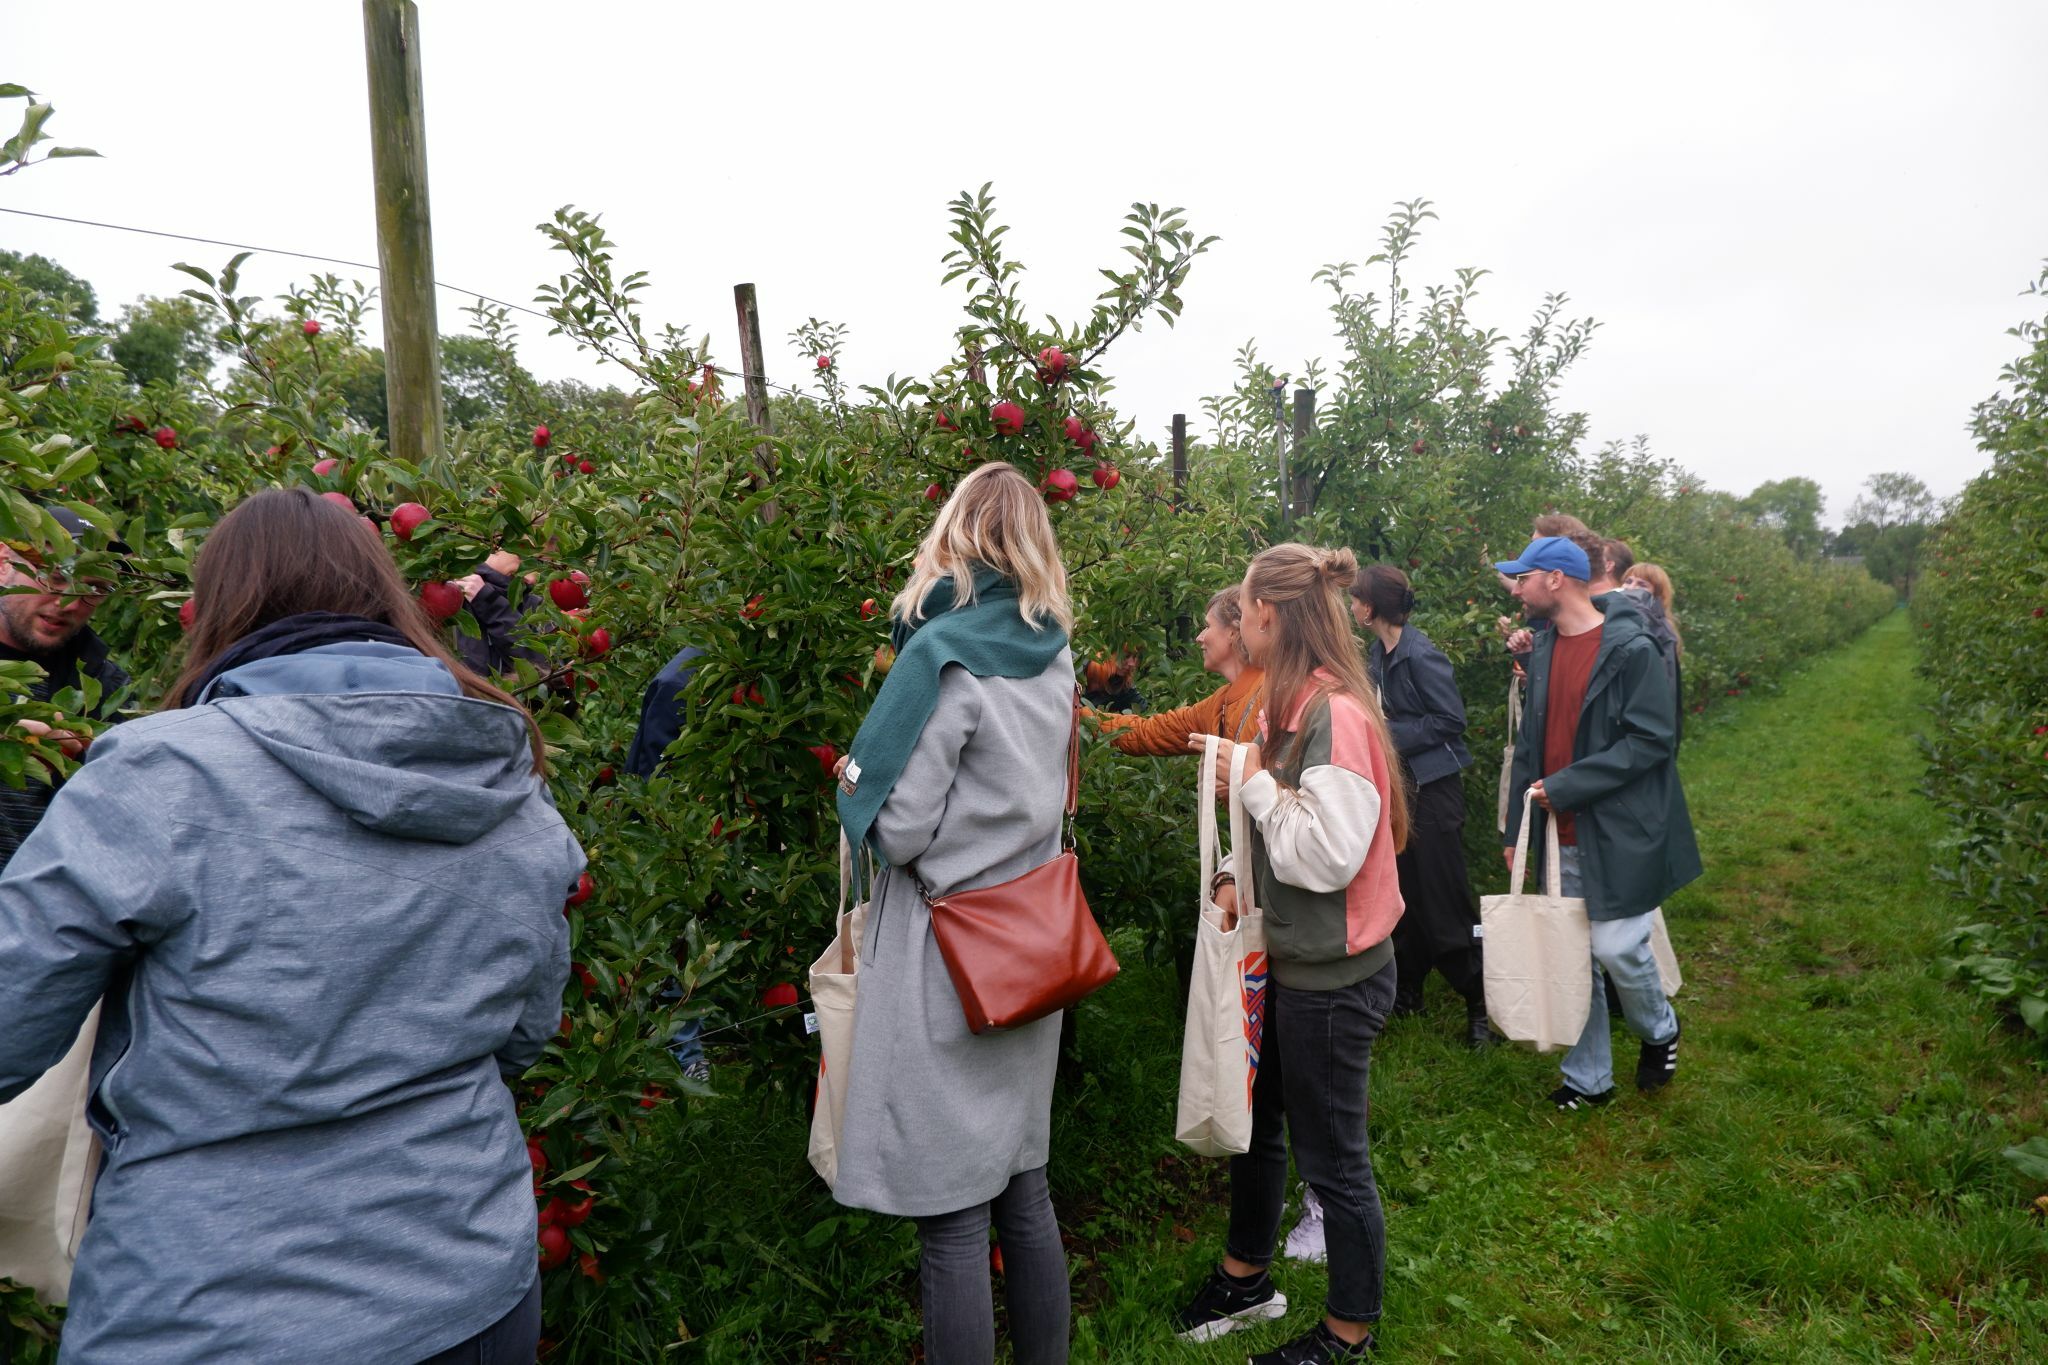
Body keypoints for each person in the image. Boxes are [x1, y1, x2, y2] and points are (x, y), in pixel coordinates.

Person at [0, 488, 583, 1362]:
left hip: (217, 1306)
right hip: (471, 1285)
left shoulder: (160, 774)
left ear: (222, 605)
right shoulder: (509, 783)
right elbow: (525, 1034)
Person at [829, 461, 1076, 1365]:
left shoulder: (941, 657)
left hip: (947, 958)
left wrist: (853, 781)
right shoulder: (1053, 652)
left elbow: (899, 829)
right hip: (1031, 943)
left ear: (955, 537)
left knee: (954, 1218)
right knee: (1024, 1185)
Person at [1173, 544, 1408, 1364]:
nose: (1236, 622)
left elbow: (1326, 854)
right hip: (1286, 958)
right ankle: (1246, 1279)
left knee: (1334, 1159)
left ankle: (1349, 1332)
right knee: (1259, 1125)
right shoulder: (1291, 699)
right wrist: (1233, 875)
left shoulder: (1334, 713)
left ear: (1268, 614)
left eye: (1241, 608)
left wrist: (1252, 783)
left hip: (1333, 979)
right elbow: (1280, 832)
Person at [1495, 535, 1700, 1111]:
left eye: (1524, 578)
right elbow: (1531, 746)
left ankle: (1659, 1027)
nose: (1517, 589)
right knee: (1571, 954)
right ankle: (1588, 1080)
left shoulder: (1631, 649)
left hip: (1617, 825)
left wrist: (1567, 786)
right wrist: (1515, 831)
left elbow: (1651, 740)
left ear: (1556, 579)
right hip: (1557, 829)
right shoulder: (1543, 648)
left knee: (1616, 946)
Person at [1351, 565, 1487, 1048]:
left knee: (1443, 898)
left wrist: (1387, 735)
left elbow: (1451, 719)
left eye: (1356, 599)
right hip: (1403, 789)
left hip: (1434, 791)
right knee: (1404, 892)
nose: (1351, 606)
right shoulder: (1378, 653)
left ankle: (1481, 1004)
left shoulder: (1422, 654)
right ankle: (1408, 992)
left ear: (1370, 608)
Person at [0, 507, 130, 867]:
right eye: (55, 578)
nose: (68, 603)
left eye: (93, 588)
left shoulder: (103, 687)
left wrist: (89, 764)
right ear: (4, 563)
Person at [624, 643, 714, 1083]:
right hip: (671, 833)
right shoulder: (679, 682)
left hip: (703, 827)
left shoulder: (719, 671)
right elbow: (654, 777)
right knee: (676, 934)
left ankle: (692, 1038)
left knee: (697, 933)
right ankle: (685, 1052)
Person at [1094, 587, 1264, 754]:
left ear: (1233, 632)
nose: (1199, 638)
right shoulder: (1217, 706)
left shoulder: (1270, 694)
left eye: (1207, 626)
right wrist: (1085, 718)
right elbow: (1149, 733)